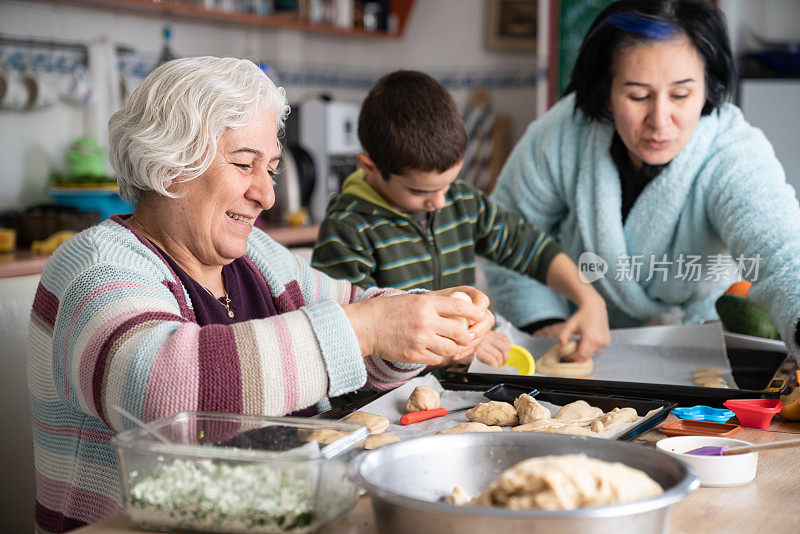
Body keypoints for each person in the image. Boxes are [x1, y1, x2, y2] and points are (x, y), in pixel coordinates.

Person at [27, 57, 495, 533]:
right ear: (170, 166)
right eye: (244, 164)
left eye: (270, 169)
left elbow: (357, 321)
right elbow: (163, 395)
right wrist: (367, 329)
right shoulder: (95, 268)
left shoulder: (258, 258)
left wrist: (423, 318)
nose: (266, 195)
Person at [484, 0, 800, 360]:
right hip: (575, 343)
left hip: (696, 348)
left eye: (681, 94)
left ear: (709, 88)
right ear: (605, 91)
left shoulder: (733, 152)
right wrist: (544, 322)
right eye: (637, 95)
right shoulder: (561, 136)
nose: (660, 119)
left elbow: (784, 256)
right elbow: (505, 236)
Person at [311, 70, 610, 367]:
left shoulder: (463, 202)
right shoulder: (348, 228)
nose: (440, 201)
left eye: (448, 184)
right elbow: (347, 337)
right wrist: (458, 349)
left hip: (455, 385)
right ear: (370, 166)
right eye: (420, 191)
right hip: (382, 397)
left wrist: (589, 299)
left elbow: (528, 247)